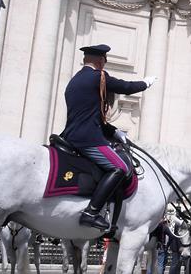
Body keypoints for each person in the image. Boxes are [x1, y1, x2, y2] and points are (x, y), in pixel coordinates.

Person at [60, 44, 156, 232]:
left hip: (72, 134)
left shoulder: (74, 81)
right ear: (100, 61)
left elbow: (88, 116)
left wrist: (114, 132)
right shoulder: (98, 77)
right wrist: (144, 83)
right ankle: (92, 212)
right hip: (87, 139)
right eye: (104, 61)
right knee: (120, 167)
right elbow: (125, 87)